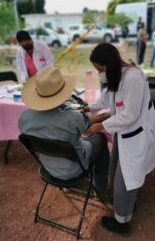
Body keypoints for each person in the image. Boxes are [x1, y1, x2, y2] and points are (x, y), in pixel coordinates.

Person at [81, 43, 155, 236]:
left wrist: (99, 125)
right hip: (123, 132)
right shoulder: (115, 75)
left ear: (108, 64)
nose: (100, 73)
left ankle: (122, 222)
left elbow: (130, 115)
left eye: (100, 69)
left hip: (134, 134)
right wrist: (88, 109)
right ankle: (124, 204)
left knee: (125, 179)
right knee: (115, 166)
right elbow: (106, 100)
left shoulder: (133, 78)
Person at [18, 66, 110, 194]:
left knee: (66, 141)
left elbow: (29, 150)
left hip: (49, 168)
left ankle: (70, 184)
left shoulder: (24, 117)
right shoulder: (72, 118)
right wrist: (108, 114)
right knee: (100, 138)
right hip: (76, 168)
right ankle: (100, 188)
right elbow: (88, 123)